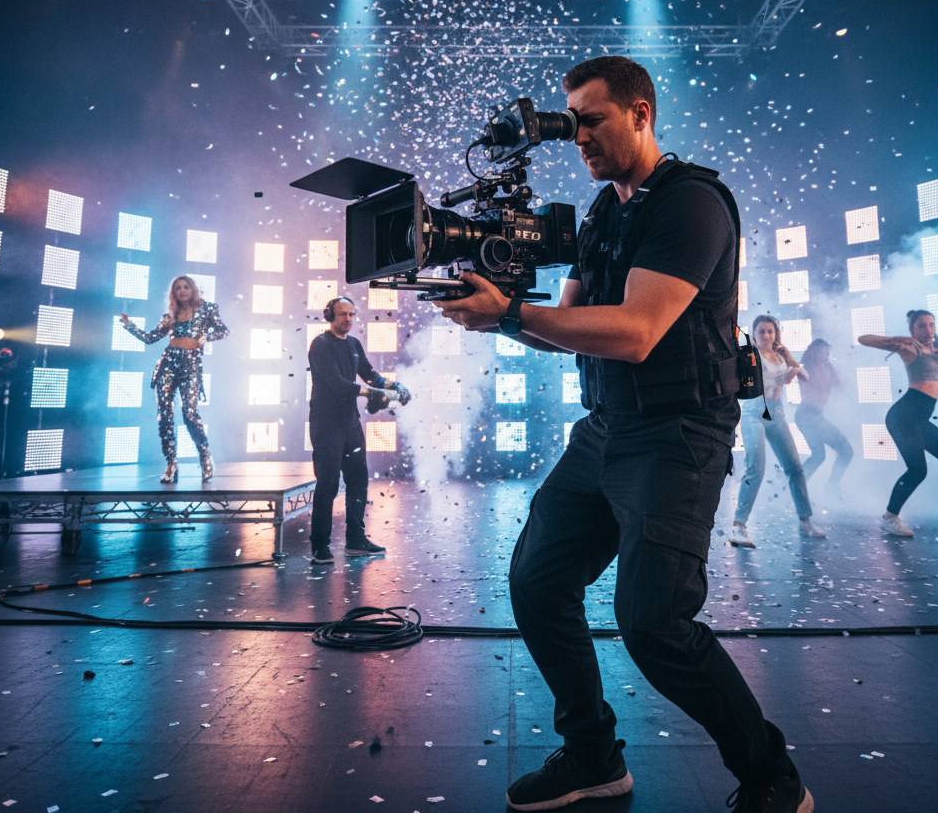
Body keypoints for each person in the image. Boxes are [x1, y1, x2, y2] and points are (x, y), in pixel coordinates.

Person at [435, 57, 813, 813]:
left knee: (654, 624)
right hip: (607, 428)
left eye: (592, 119)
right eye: (570, 123)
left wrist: (512, 314)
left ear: (641, 112)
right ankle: (593, 757)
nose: (578, 137)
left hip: (678, 434)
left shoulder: (692, 204)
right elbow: (572, 329)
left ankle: (774, 779)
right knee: (538, 582)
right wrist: (494, 305)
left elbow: (637, 332)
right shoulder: (606, 213)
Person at [859, 309, 938, 536]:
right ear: (912, 329)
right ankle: (889, 518)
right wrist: (898, 341)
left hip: (918, 420)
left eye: (931, 325)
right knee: (918, 470)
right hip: (903, 418)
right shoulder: (910, 347)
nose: (928, 330)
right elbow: (864, 339)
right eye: (922, 326)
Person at [307, 296, 411, 562]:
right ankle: (320, 546)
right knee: (328, 484)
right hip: (326, 425)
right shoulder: (320, 345)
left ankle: (355, 539)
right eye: (343, 314)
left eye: (352, 314)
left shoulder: (353, 344)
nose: (348, 319)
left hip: (350, 424)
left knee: (358, 481)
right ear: (330, 315)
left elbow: (369, 374)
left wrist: (393, 386)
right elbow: (338, 384)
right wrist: (373, 392)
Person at [120, 275, 229, 483]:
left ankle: (205, 457)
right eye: (178, 288)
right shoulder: (170, 315)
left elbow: (224, 331)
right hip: (168, 365)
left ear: (193, 289)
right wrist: (129, 325)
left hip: (190, 366)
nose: (182, 291)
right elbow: (150, 338)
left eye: (186, 287)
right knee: (165, 416)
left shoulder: (207, 309)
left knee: (190, 414)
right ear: (174, 293)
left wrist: (206, 337)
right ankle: (171, 463)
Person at [731, 316, 825, 548]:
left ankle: (805, 521)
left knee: (795, 468)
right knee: (756, 469)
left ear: (776, 334)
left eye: (770, 332)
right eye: (761, 332)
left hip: (777, 415)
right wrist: (785, 377)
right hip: (755, 414)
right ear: (754, 335)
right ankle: (738, 526)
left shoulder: (781, 354)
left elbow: (805, 376)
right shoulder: (751, 354)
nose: (766, 336)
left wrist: (794, 368)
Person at [794, 338, 853, 493]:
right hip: (807, 415)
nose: (827, 354)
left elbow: (842, 388)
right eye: (823, 351)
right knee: (832, 453)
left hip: (815, 416)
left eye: (828, 351)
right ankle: (799, 486)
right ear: (814, 351)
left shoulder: (827, 367)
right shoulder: (807, 367)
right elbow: (817, 386)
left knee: (823, 455)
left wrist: (835, 372)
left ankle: (799, 485)